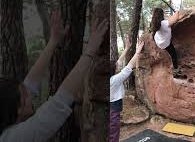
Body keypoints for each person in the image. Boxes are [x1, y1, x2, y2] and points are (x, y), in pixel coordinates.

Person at [0, 10, 107, 142]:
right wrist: (90, 50)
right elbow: (58, 104)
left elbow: (29, 83)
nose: (29, 94)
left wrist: (53, 41)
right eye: (24, 96)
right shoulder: (13, 139)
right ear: (16, 110)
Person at [109, 40, 144, 142]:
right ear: (114, 69)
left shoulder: (110, 77)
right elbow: (129, 67)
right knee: (113, 131)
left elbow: (118, 62)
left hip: (112, 105)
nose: (118, 65)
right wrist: (137, 52)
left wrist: (126, 49)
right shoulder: (114, 80)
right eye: (117, 66)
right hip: (113, 107)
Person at [151, 8, 186, 73]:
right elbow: (175, 19)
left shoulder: (155, 23)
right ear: (161, 15)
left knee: (170, 49)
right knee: (174, 54)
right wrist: (177, 11)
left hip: (159, 41)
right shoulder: (164, 23)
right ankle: (176, 70)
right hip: (165, 43)